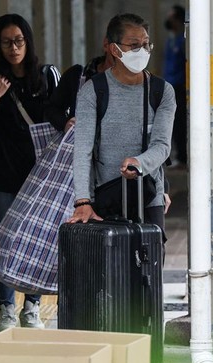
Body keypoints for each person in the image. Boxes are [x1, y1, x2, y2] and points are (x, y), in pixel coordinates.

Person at [0, 14, 59, 333]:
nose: (14, 48)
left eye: (19, 40)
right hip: (2, 175)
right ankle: (5, 308)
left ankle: (31, 306)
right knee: (1, 243)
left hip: (41, 174)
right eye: (6, 42)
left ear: (28, 42)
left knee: (38, 241)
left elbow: (62, 114)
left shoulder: (47, 76)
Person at [69, 13, 176, 229]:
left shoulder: (161, 91)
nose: (142, 51)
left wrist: (139, 163)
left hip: (148, 195)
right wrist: (83, 200)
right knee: (111, 260)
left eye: (146, 45)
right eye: (134, 45)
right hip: (106, 197)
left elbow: (162, 146)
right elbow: (82, 150)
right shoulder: (94, 91)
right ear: (114, 49)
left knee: (152, 259)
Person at [45, 40, 114, 133]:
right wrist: (65, 124)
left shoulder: (139, 84)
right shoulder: (77, 76)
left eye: (140, 46)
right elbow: (52, 109)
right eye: (132, 45)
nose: (136, 52)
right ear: (107, 45)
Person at [163, 5, 187, 166]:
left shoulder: (184, 41)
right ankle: (176, 153)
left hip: (180, 87)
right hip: (169, 85)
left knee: (180, 122)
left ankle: (183, 156)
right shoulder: (171, 40)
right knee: (170, 121)